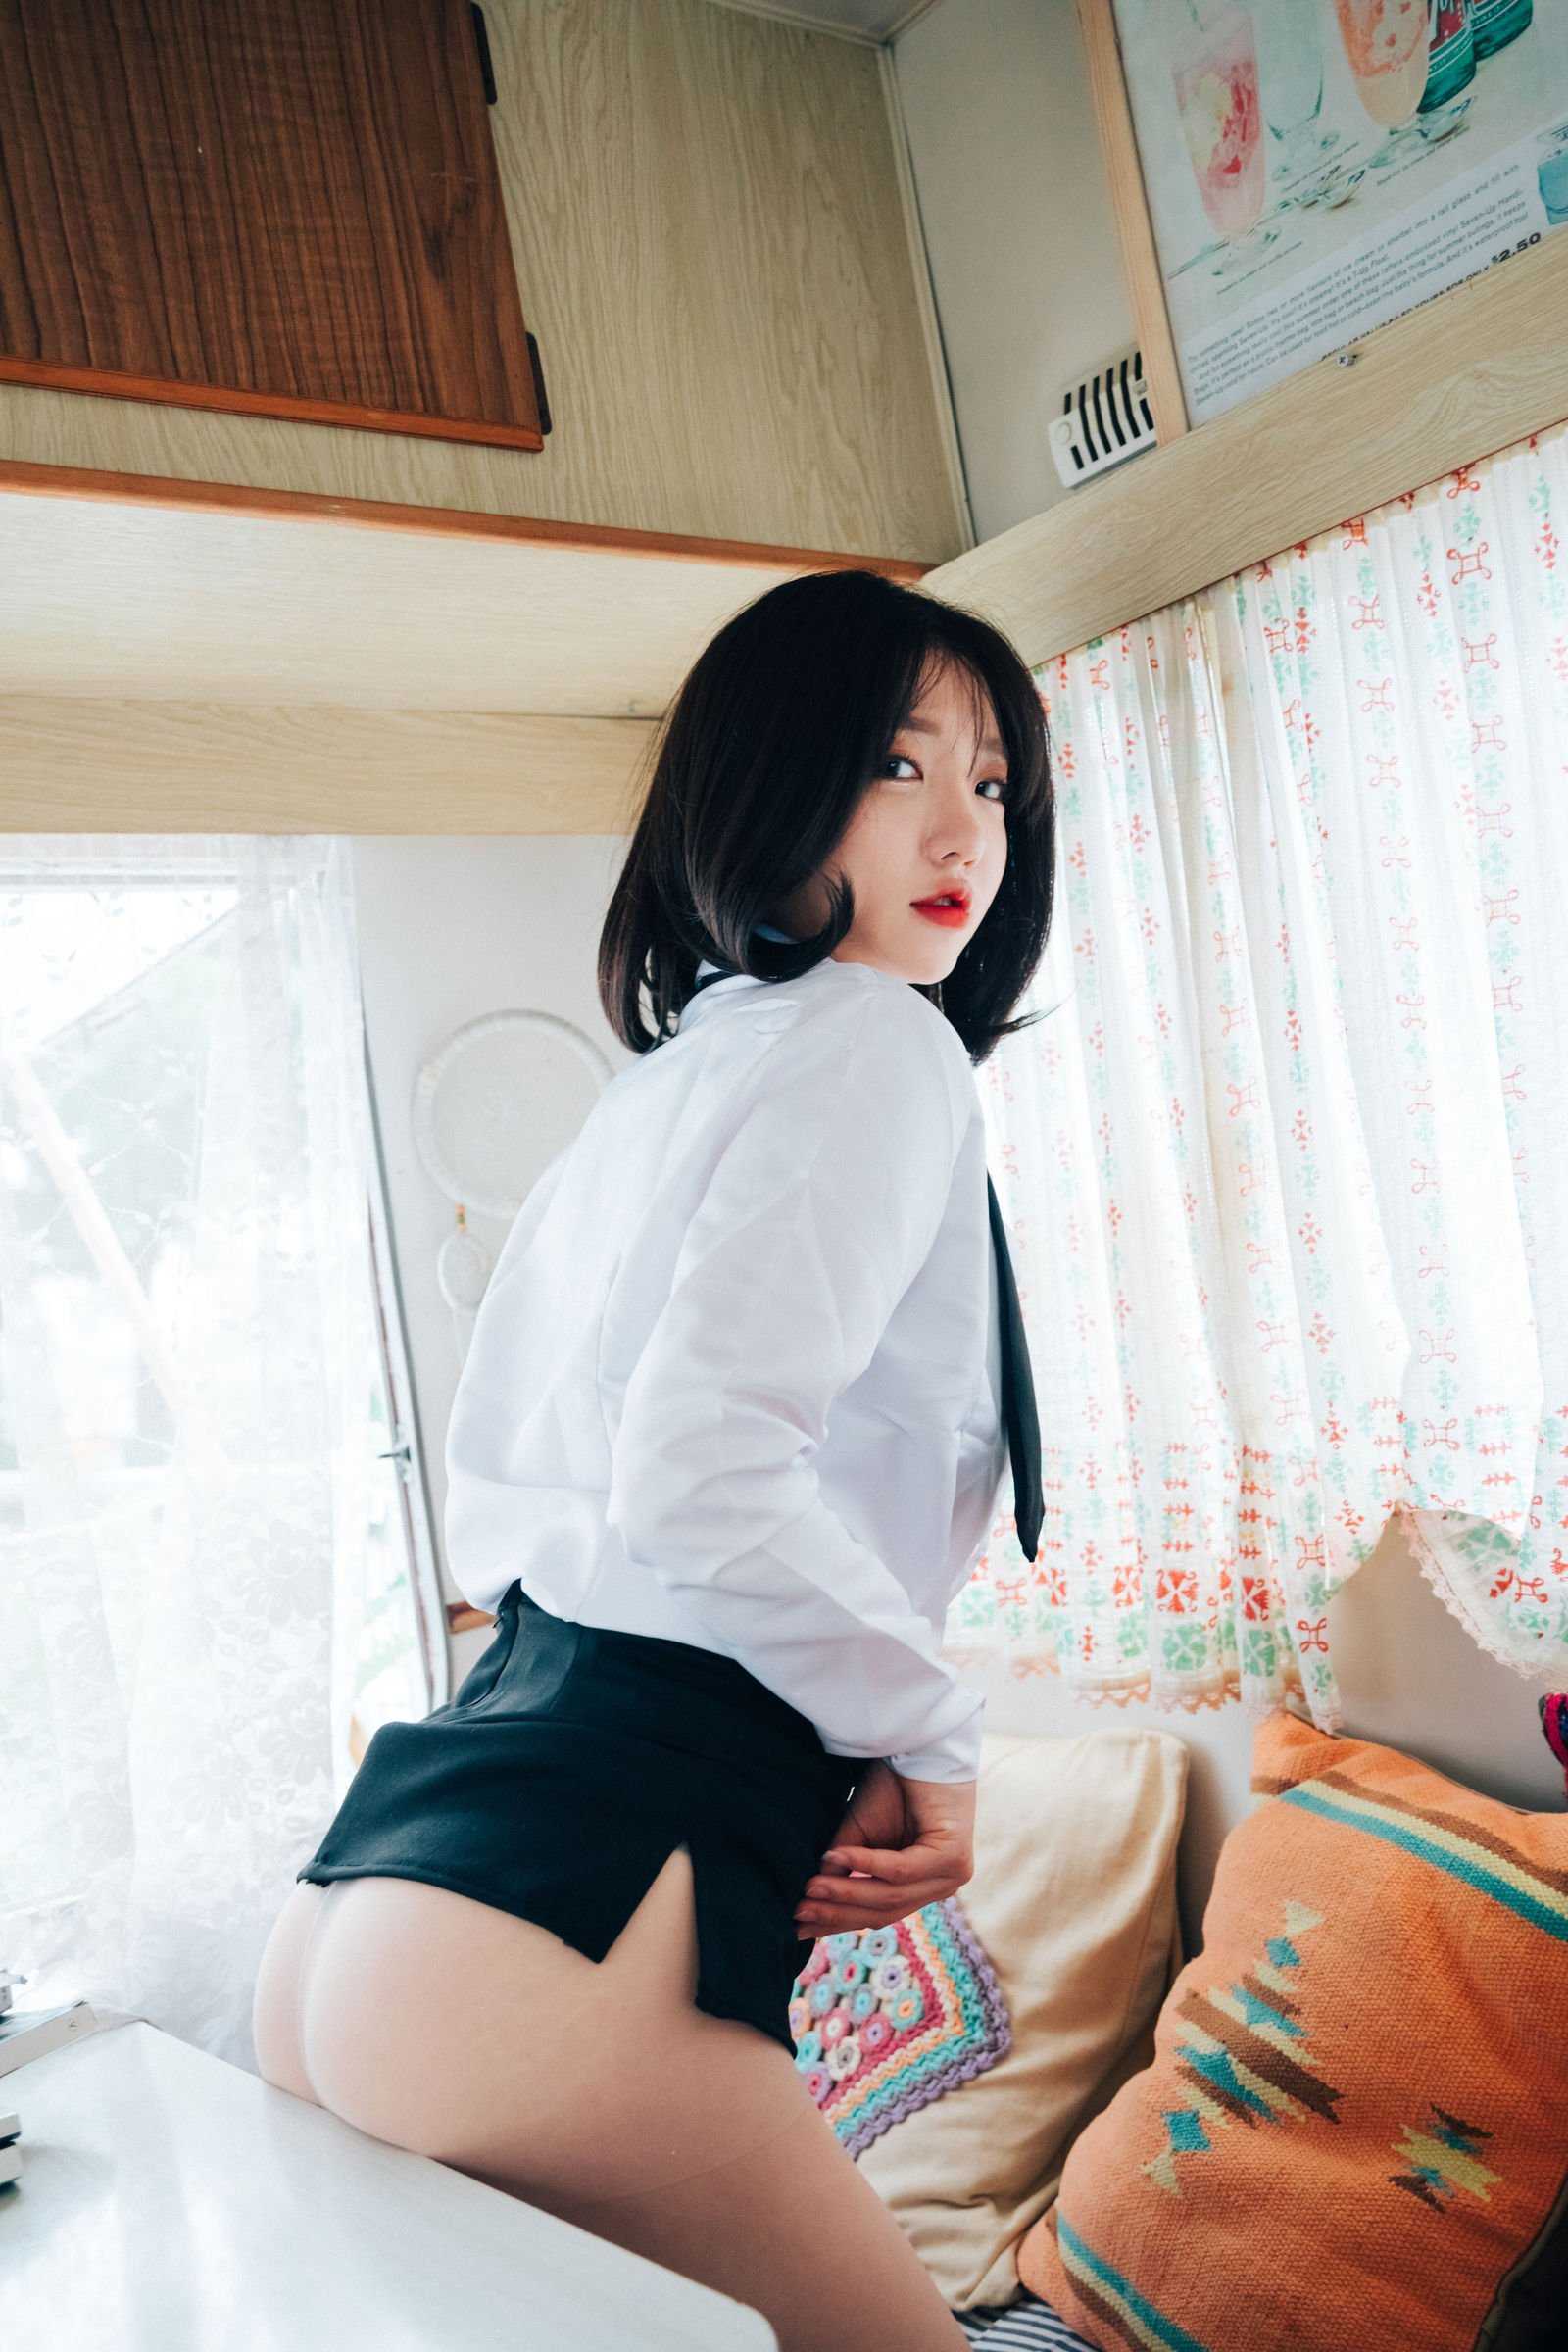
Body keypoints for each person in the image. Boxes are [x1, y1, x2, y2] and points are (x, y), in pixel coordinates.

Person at [251, 566, 1054, 2350]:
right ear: (767, 785)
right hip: (578, 1915)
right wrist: (933, 1735)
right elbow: (707, 1471)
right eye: (896, 765)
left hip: (404, 1878)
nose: (963, 833)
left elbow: (532, 1508)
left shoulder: (674, 1075)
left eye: (992, 780)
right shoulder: (879, 1044)